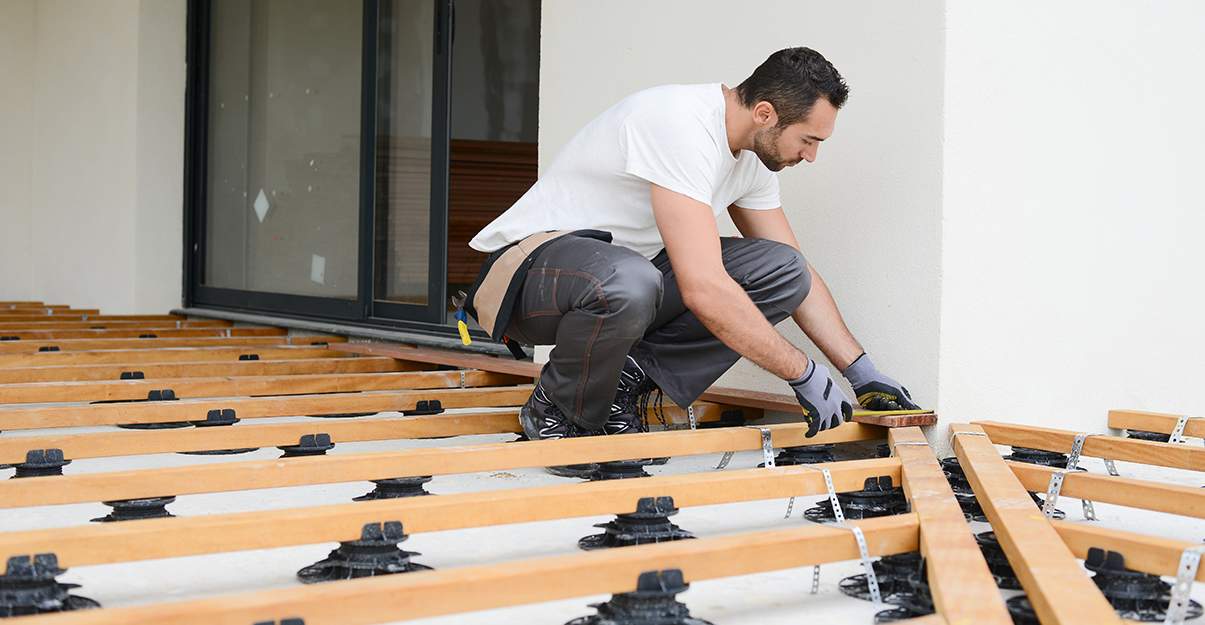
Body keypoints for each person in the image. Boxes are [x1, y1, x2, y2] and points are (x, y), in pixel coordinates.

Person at [462, 47, 919, 476]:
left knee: (782, 270)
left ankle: (619, 384)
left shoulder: (753, 160)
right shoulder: (679, 125)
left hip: (620, 279)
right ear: (765, 114)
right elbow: (702, 286)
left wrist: (859, 371)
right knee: (633, 280)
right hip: (529, 277)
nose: (812, 155)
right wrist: (801, 371)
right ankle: (557, 411)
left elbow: (796, 271)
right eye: (808, 139)